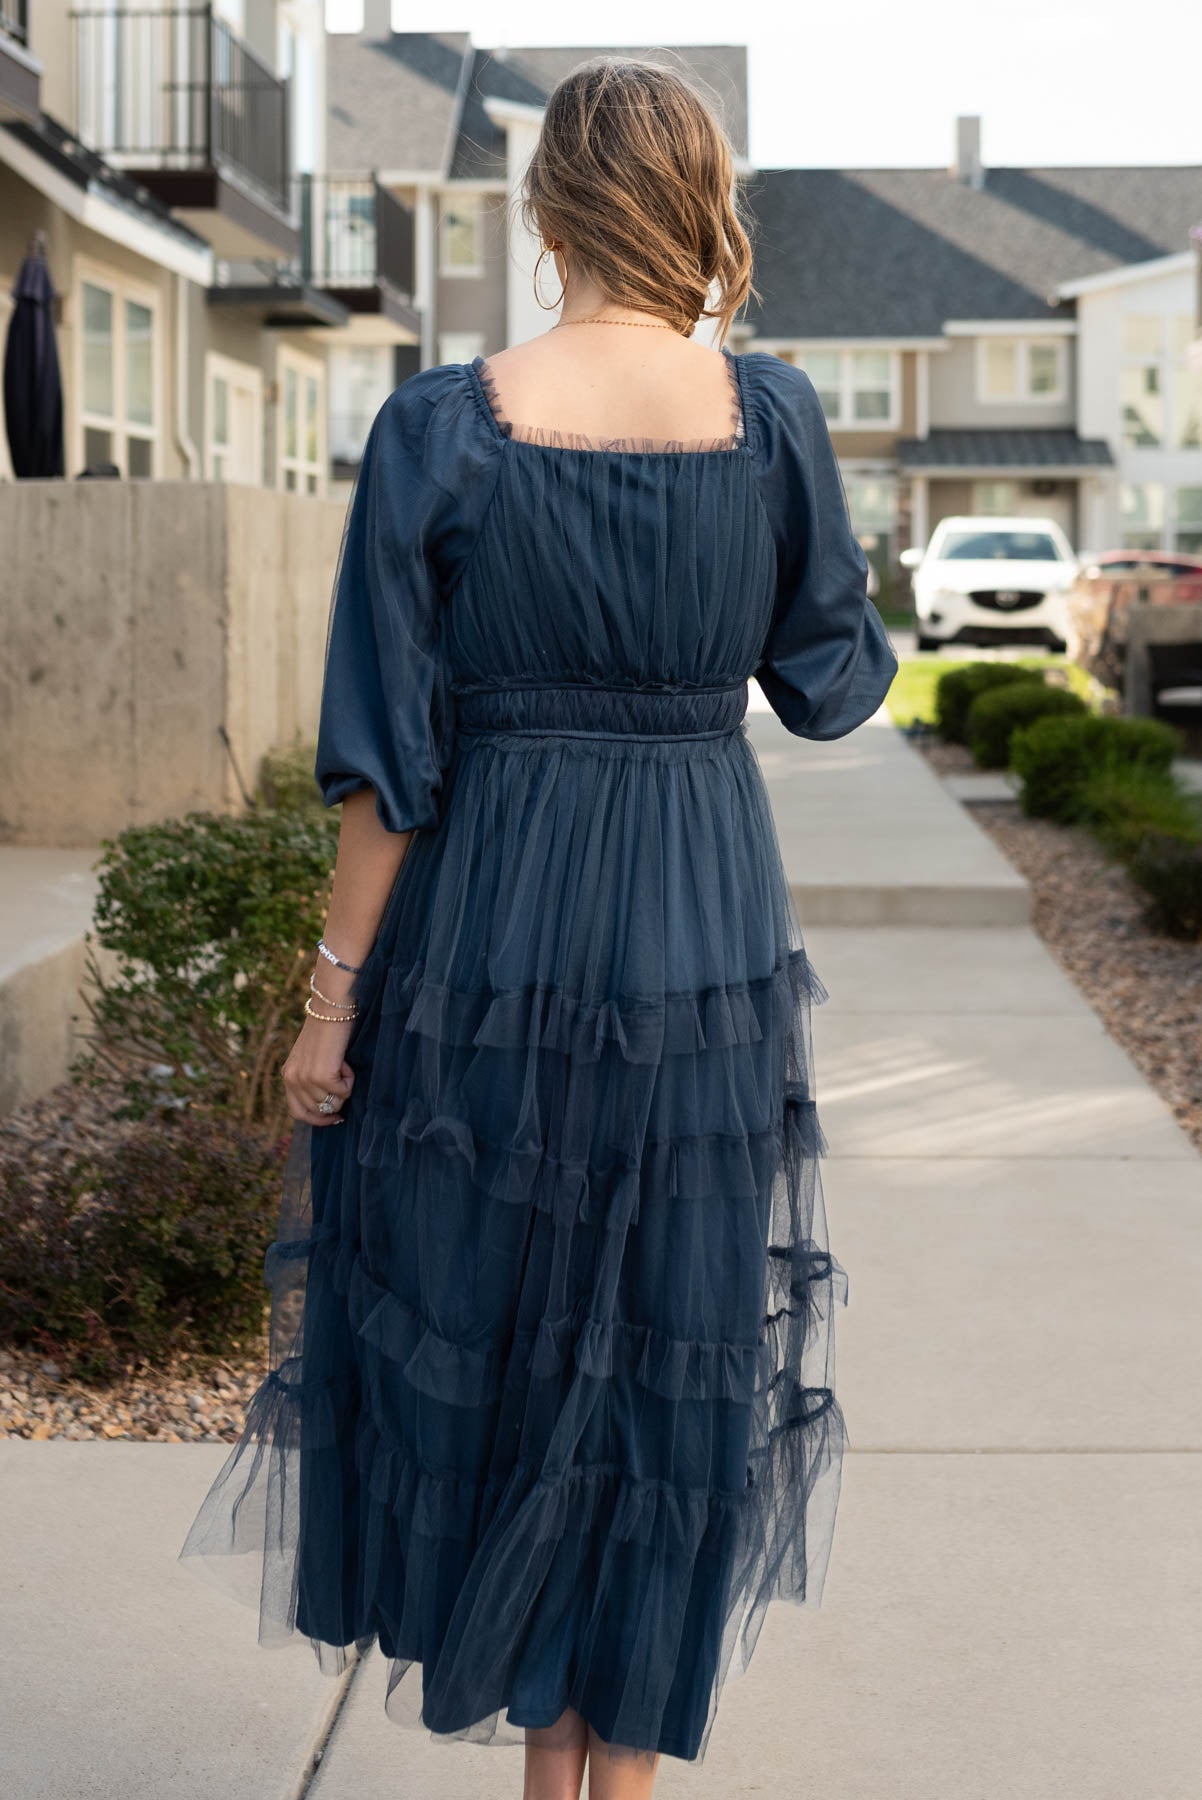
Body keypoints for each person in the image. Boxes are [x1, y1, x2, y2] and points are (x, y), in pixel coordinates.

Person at [179, 55, 898, 1799]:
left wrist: (330, 1002)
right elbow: (829, 688)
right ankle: (604, 1773)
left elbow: (386, 768)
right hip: (692, 922)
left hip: (489, 929)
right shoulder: (775, 413)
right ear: (695, 197)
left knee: (493, 1326)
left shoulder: (440, 426)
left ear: (547, 207)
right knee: (664, 1340)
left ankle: (540, 1766)